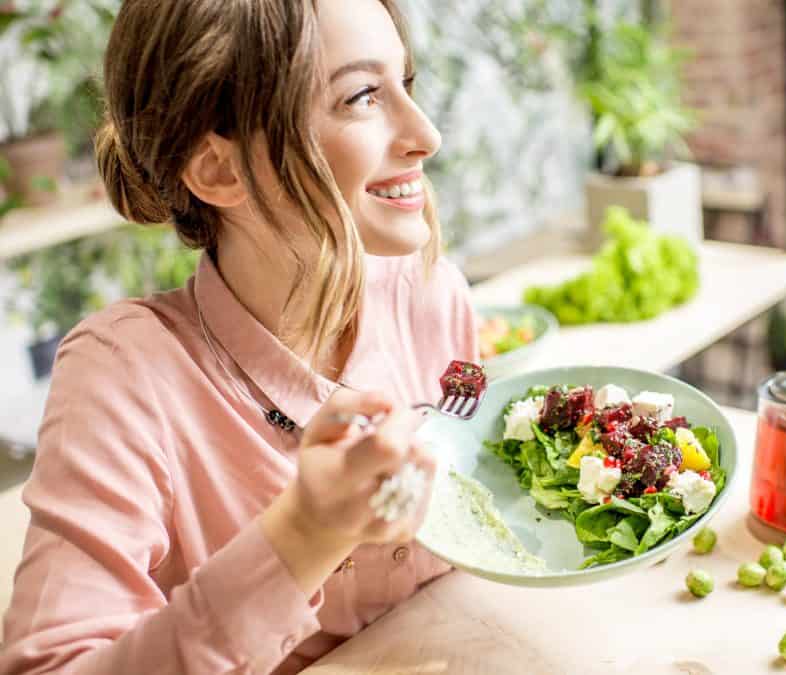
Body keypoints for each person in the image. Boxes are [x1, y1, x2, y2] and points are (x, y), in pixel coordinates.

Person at [0, 1, 477, 673]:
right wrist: (304, 535)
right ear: (219, 170)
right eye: (363, 95)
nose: (426, 134)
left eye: (408, 83)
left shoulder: (431, 293)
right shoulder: (123, 374)